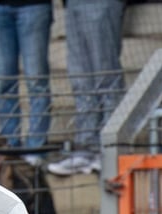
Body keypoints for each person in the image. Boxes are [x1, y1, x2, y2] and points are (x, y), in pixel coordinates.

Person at [46, 0, 126, 176]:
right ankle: (85, 149)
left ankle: (108, 149)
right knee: (81, 79)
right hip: (73, 4)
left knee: (106, 75)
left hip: (101, 4)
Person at [0, 0, 54, 165]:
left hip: (35, 6)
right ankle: (10, 145)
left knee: (37, 81)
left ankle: (36, 148)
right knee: (3, 82)